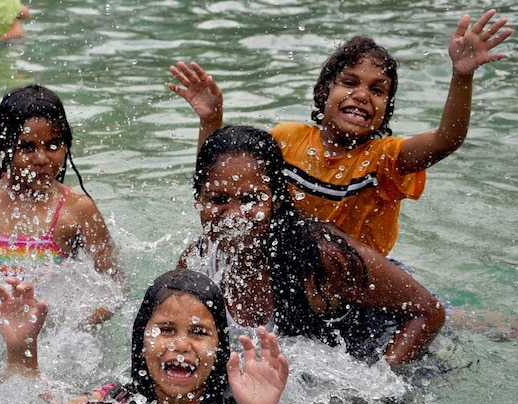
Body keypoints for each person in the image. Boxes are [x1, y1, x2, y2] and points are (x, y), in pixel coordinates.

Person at [169, 10, 512, 256]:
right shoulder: (287, 139)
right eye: (349, 83)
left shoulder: (384, 159)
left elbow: (446, 139)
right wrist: (211, 121)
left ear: (386, 109)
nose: (362, 95)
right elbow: (220, 183)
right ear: (324, 92)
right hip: (292, 266)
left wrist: (462, 76)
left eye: (378, 91)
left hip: (360, 279)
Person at [180, 125, 445, 366]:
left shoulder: (322, 257)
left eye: (251, 199)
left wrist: (378, 385)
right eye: (218, 198)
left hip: (385, 340)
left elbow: (428, 312)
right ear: (198, 201)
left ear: (277, 200)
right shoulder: (196, 263)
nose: (235, 215)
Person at [0, 269, 288, 404]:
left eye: (199, 332)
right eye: (166, 330)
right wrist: (22, 350)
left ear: (220, 346)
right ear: (141, 339)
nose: (181, 344)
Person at [0, 85, 124, 323]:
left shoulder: (76, 211)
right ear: (5, 146)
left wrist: (65, 325)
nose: (42, 159)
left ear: (66, 145)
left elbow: (116, 288)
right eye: (27, 147)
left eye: (53, 145)